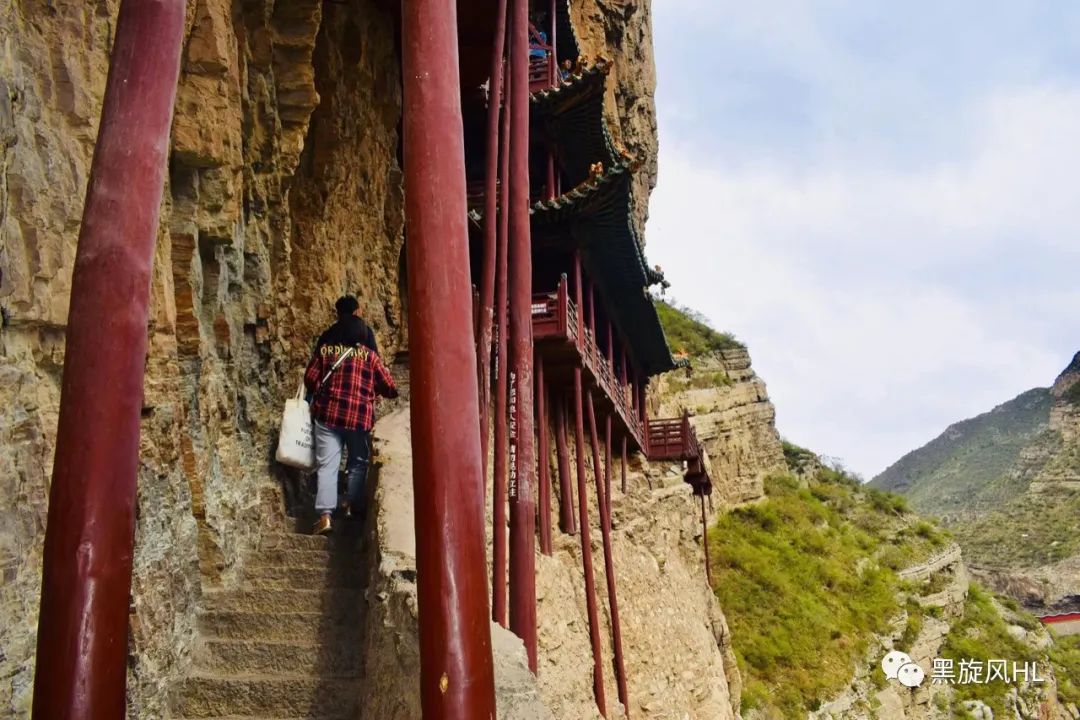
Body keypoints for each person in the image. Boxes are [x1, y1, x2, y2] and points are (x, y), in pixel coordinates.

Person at [303, 301, 397, 535]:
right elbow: (391, 388)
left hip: (329, 416)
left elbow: (310, 379)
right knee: (357, 463)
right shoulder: (370, 357)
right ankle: (350, 506)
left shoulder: (327, 351)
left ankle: (325, 516)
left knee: (327, 465)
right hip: (359, 419)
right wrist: (373, 390)